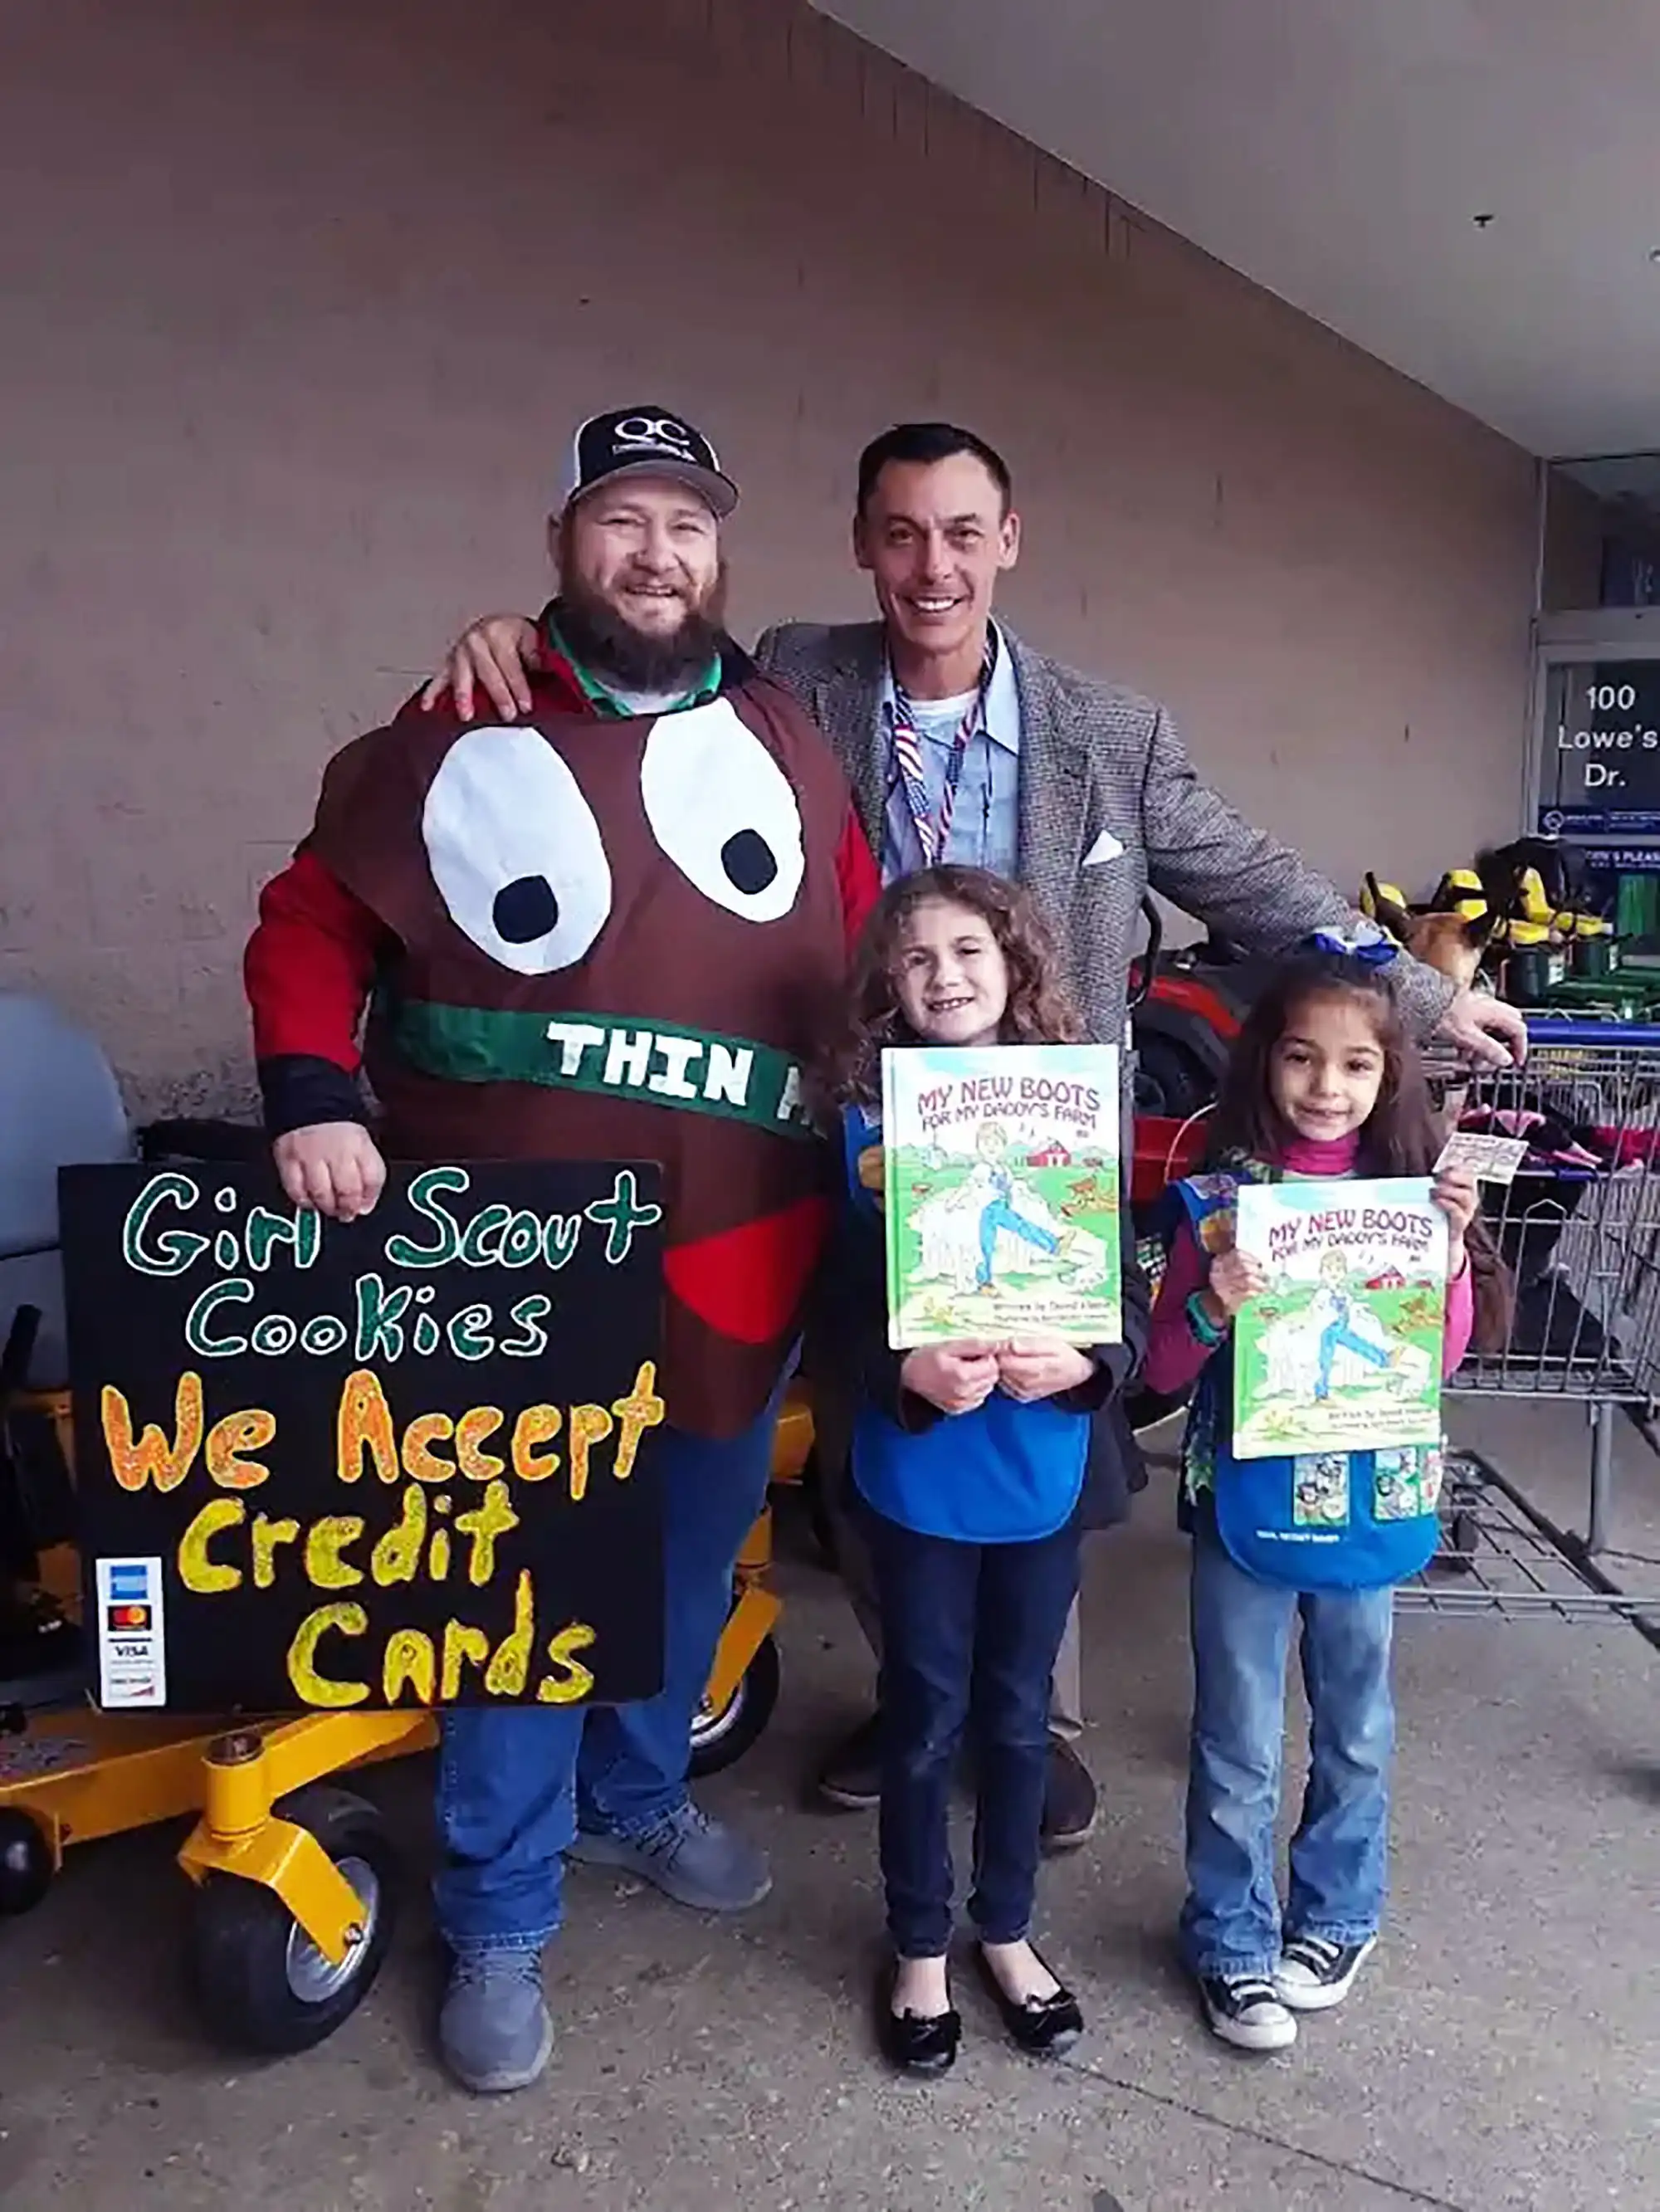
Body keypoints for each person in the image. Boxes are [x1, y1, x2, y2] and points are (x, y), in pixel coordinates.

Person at [417, 418, 1528, 1851]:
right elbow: (638, 644)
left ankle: (1030, 1723)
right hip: (871, 1127)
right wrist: (517, 636)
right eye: (900, 534)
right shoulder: (794, 680)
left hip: (1047, 1138)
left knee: (1043, 1410)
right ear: (862, 547)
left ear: (1007, 542)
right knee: (885, 1417)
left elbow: (1258, 882)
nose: (931, 566)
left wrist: (1425, 993)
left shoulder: (1110, 733)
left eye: (960, 533)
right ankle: (916, 1694)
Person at [242, 405, 878, 2094]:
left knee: (686, 1556)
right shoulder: (458, 720)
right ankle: (501, 1911)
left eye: (686, 523)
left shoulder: (788, 735)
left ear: (721, 552)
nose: (655, 554)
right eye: (620, 520)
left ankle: (635, 1794)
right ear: (561, 545)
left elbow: (865, 938)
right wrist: (313, 1093)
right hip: (511, 1259)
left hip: (740, 1244)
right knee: (517, 1590)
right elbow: (311, 922)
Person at [1140, 938, 1509, 2053]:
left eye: (1356, 1065)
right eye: (1302, 1057)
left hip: (1370, 1500)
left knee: (1355, 1727)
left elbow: (1436, 1359)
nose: (1326, 1087)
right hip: (1248, 1506)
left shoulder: (1417, 1201)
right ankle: (1230, 1937)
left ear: (1390, 1076)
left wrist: (1450, 1258)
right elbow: (1162, 1369)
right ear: (1265, 1060)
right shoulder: (1218, 1203)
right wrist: (1211, 1304)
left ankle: (1339, 1917)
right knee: (1236, 1737)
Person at [818, 863, 1150, 2074]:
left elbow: (1123, 1299)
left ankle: (1004, 1929)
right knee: (921, 1716)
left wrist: (1087, 1361)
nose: (945, 975)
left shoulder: (1077, 1117)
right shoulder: (863, 1125)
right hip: (921, 1469)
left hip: (1039, 1464)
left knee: (1016, 1718)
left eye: (968, 951)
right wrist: (903, 1370)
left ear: (1016, 964)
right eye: (917, 958)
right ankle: (919, 1944)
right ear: (888, 985)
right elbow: (832, 1309)